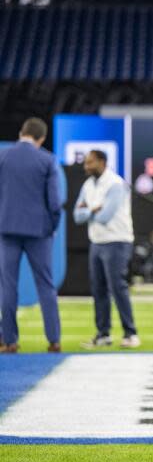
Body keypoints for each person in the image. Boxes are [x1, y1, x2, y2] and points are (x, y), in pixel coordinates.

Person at [0, 118, 63, 353]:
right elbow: (55, 203)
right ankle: (54, 340)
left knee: (8, 287)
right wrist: (52, 226)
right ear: (42, 138)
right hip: (39, 231)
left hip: (7, 230)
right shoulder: (47, 160)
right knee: (46, 286)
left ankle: (9, 341)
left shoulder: (3, 157)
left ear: (21, 132)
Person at [73, 150, 140, 349]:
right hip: (97, 241)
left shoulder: (115, 184)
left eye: (90, 162)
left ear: (102, 162)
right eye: (86, 162)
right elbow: (77, 216)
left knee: (117, 288)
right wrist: (94, 209)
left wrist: (88, 210)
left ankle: (131, 333)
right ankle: (103, 334)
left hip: (117, 240)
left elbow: (105, 216)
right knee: (98, 289)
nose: (86, 166)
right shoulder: (88, 185)